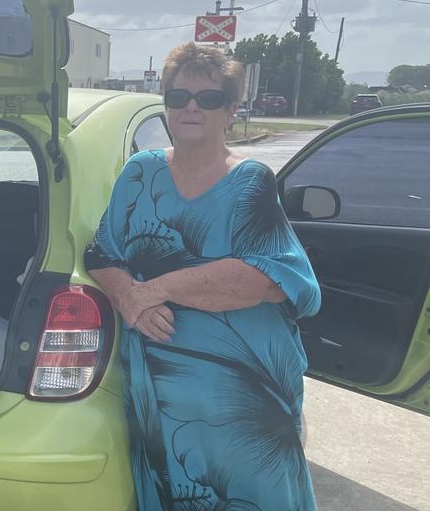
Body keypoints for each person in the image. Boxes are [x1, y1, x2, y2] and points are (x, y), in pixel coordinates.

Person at [85, 42, 321, 510]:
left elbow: (267, 277)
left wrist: (154, 290)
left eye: (208, 98)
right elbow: (100, 255)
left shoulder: (250, 180)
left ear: (231, 110)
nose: (191, 107)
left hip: (244, 396)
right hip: (161, 394)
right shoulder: (140, 173)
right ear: (166, 103)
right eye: (178, 97)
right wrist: (127, 296)